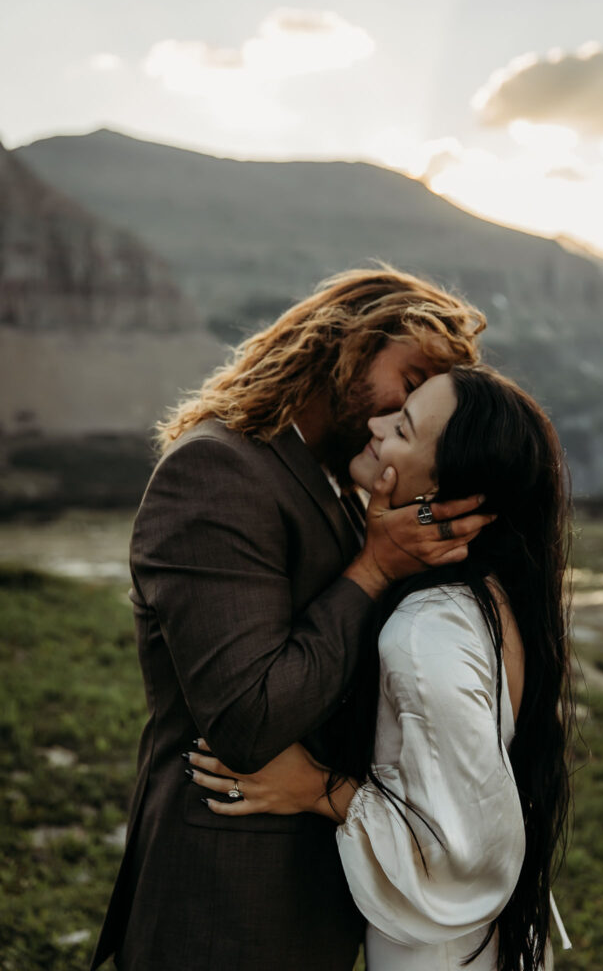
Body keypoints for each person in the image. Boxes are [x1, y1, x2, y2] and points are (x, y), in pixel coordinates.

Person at [89, 267, 494, 971]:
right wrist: (372, 569)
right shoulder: (217, 472)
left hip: (308, 890)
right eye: (412, 375)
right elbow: (248, 718)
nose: (410, 405)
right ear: (346, 343)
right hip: (224, 901)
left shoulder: (324, 477)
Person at [185, 365, 574, 971]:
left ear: (444, 489)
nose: (374, 423)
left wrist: (317, 788)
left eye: (403, 426)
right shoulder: (491, 595)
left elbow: (466, 849)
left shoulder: (428, 631)